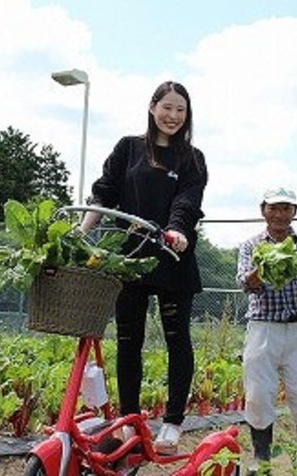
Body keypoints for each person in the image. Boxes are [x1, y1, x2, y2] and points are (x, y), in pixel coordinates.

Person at [82, 80, 207, 451]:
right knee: (127, 342)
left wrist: (177, 230)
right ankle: (129, 420)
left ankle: (172, 423)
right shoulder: (129, 148)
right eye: (167, 107)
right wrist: (80, 232)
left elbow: (188, 200)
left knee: (176, 339)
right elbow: (104, 191)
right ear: (152, 108)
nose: (173, 116)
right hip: (129, 258)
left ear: (187, 115)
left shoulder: (192, 158)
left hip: (172, 257)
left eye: (180, 110)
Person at [237, 184, 297, 472]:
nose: (279, 214)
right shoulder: (251, 246)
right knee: (258, 394)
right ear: (263, 210)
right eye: (273, 207)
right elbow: (245, 284)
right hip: (263, 328)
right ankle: (261, 460)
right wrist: (262, 269)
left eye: (285, 208)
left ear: (294, 212)